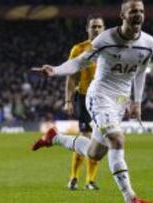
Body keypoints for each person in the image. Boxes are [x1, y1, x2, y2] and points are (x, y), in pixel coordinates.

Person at [31, 0, 153, 202]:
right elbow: (79, 62)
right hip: (99, 96)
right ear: (123, 15)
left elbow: (140, 72)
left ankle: (54, 137)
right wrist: (55, 70)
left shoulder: (149, 43)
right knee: (117, 139)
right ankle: (130, 197)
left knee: (94, 153)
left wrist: (137, 102)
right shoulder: (106, 39)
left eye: (141, 11)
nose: (138, 14)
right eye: (133, 11)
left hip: (120, 101)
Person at [63, 15, 105, 191]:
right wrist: (68, 100)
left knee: (100, 141)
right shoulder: (78, 49)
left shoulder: (109, 49)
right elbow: (72, 77)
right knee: (85, 137)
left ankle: (90, 181)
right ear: (87, 29)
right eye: (93, 26)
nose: (96, 29)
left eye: (99, 26)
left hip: (104, 100)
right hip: (84, 97)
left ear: (103, 29)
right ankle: (73, 177)